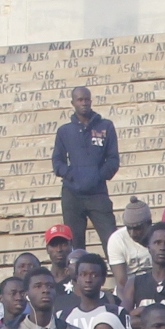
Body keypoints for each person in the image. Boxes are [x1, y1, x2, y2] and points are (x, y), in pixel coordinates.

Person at [52, 87, 121, 258]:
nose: (84, 103)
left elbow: (113, 160)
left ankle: (120, 280)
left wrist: (97, 176)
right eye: (80, 100)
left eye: (86, 99)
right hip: (72, 194)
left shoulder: (106, 126)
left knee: (111, 239)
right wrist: (72, 175)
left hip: (98, 193)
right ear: (73, 103)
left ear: (91, 101)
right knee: (75, 245)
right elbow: (57, 162)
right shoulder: (64, 131)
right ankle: (76, 281)